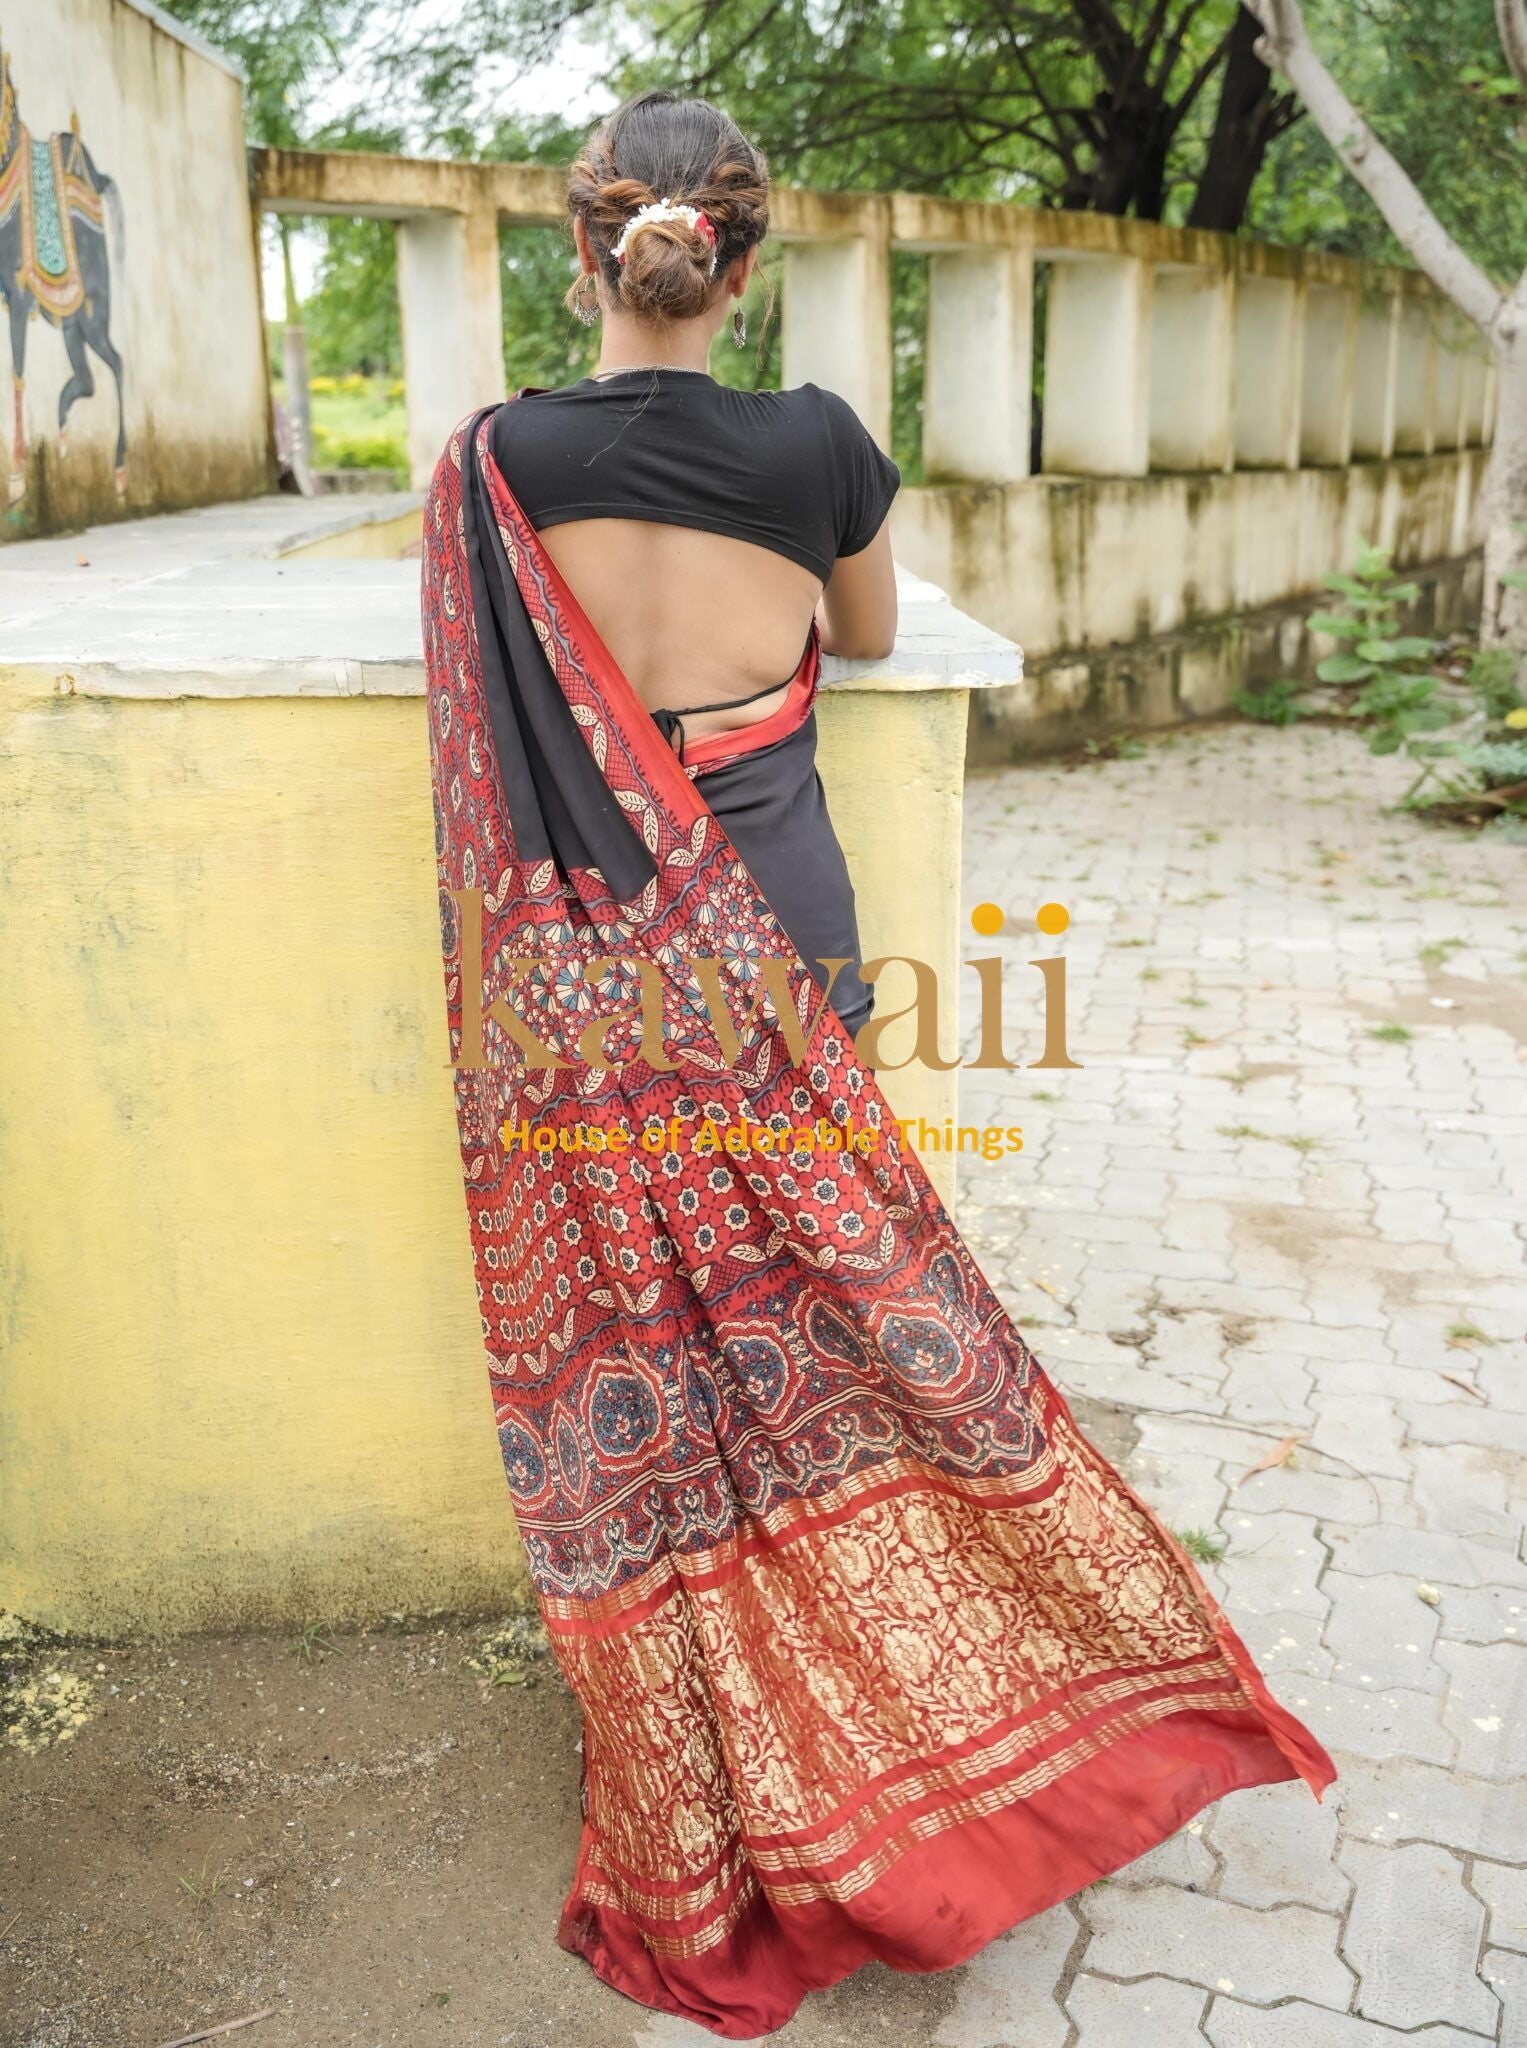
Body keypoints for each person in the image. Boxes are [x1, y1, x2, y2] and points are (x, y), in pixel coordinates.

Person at [421, 87, 1335, 2043]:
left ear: (582, 253)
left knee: (657, 1347)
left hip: (580, 954)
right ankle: (903, 1687)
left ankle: (716, 1715)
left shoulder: (494, 463)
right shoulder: (818, 445)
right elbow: (873, 631)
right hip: (775, 921)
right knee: (824, 1317)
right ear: (738, 266)